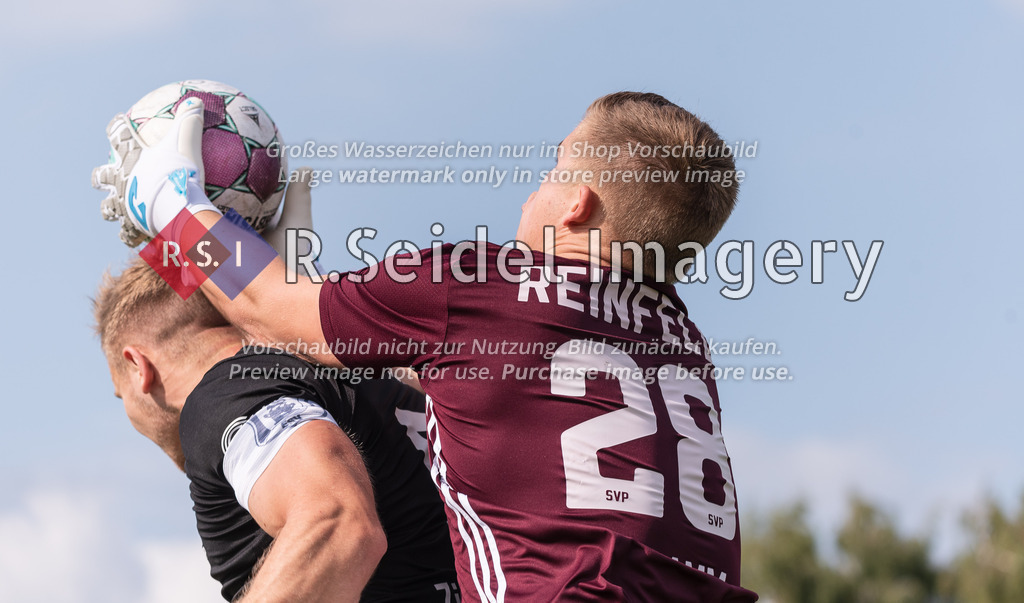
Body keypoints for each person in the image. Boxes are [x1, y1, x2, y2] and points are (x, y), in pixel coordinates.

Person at [94, 91, 757, 601]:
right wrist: (302, 281)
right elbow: (449, 378)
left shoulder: (481, 285)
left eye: (551, 171)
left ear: (577, 204)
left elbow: (270, 313)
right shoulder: (681, 345)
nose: (535, 188)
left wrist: (171, 203)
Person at [92, 257, 459, 602]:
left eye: (117, 393)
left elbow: (336, 523)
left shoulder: (224, 396)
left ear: (138, 367)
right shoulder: (372, 374)